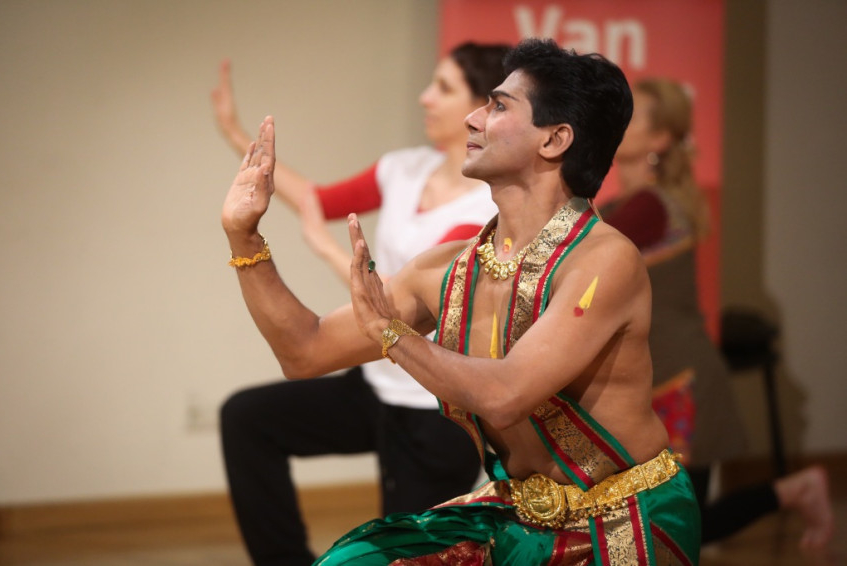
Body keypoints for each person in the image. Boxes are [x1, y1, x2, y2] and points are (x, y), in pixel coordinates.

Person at [221, 39, 701, 565]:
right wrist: (245, 238)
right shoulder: (445, 267)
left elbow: (506, 395)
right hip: (518, 514)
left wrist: (391, 334)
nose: (473, 118)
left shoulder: (603, 259)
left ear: (554, 139)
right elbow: (304, 351)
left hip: (625, 521)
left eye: (497, 106)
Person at [211, 43, 509, 565]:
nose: (425, 97)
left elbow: (408, 299)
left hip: (434, 407)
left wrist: (326, 249)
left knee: (405, 555)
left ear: (481, 107)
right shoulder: (403, 168)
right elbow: (318, 200)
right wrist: (241, 140)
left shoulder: (486, 206)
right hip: (375, 383)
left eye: (443, 88)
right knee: (247, 418)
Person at [605, 77, 834, 550]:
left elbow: (570, 249)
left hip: (680, 384)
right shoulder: (619, 205)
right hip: (648, 383)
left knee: (675, 530)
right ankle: (793, 490)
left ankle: (795, 491)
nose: (617, 121)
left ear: (659, 138)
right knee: (658, 530)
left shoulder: (647, 207)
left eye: (632, 115)